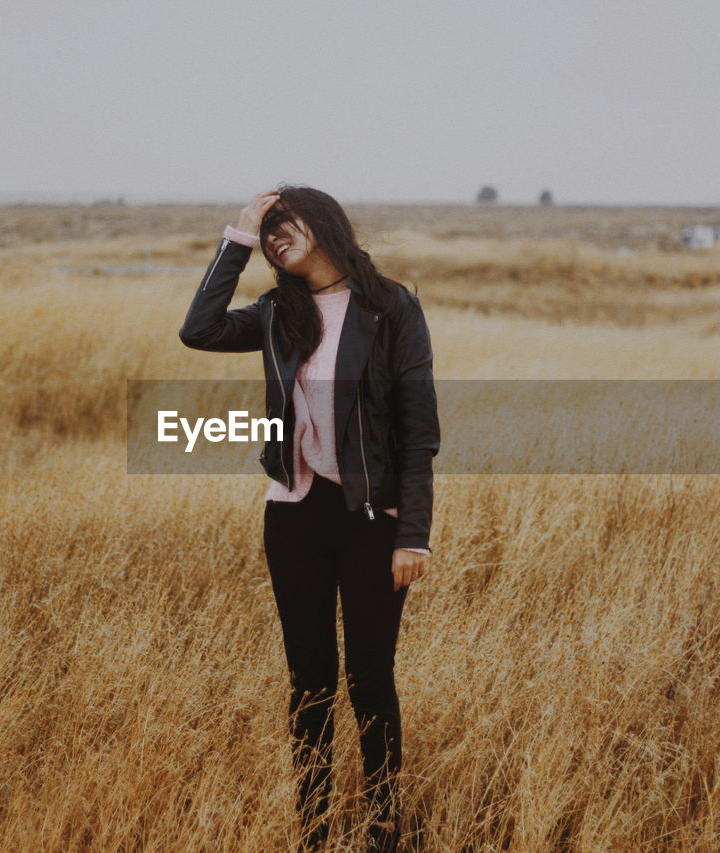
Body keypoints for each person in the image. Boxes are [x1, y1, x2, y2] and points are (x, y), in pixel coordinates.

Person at [178, 185, 440, 852]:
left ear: (322, 222)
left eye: (279, 223)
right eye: (264, 233)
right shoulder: (276, 313)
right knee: (310, 680)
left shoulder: (390, 306)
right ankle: (314, 830)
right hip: (293, 515)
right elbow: (199, 330)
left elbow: (419, 430)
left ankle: (384, 828)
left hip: (371, 516)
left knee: (370, 676)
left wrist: (413, 533)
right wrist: (236, 237)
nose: (271, 237)